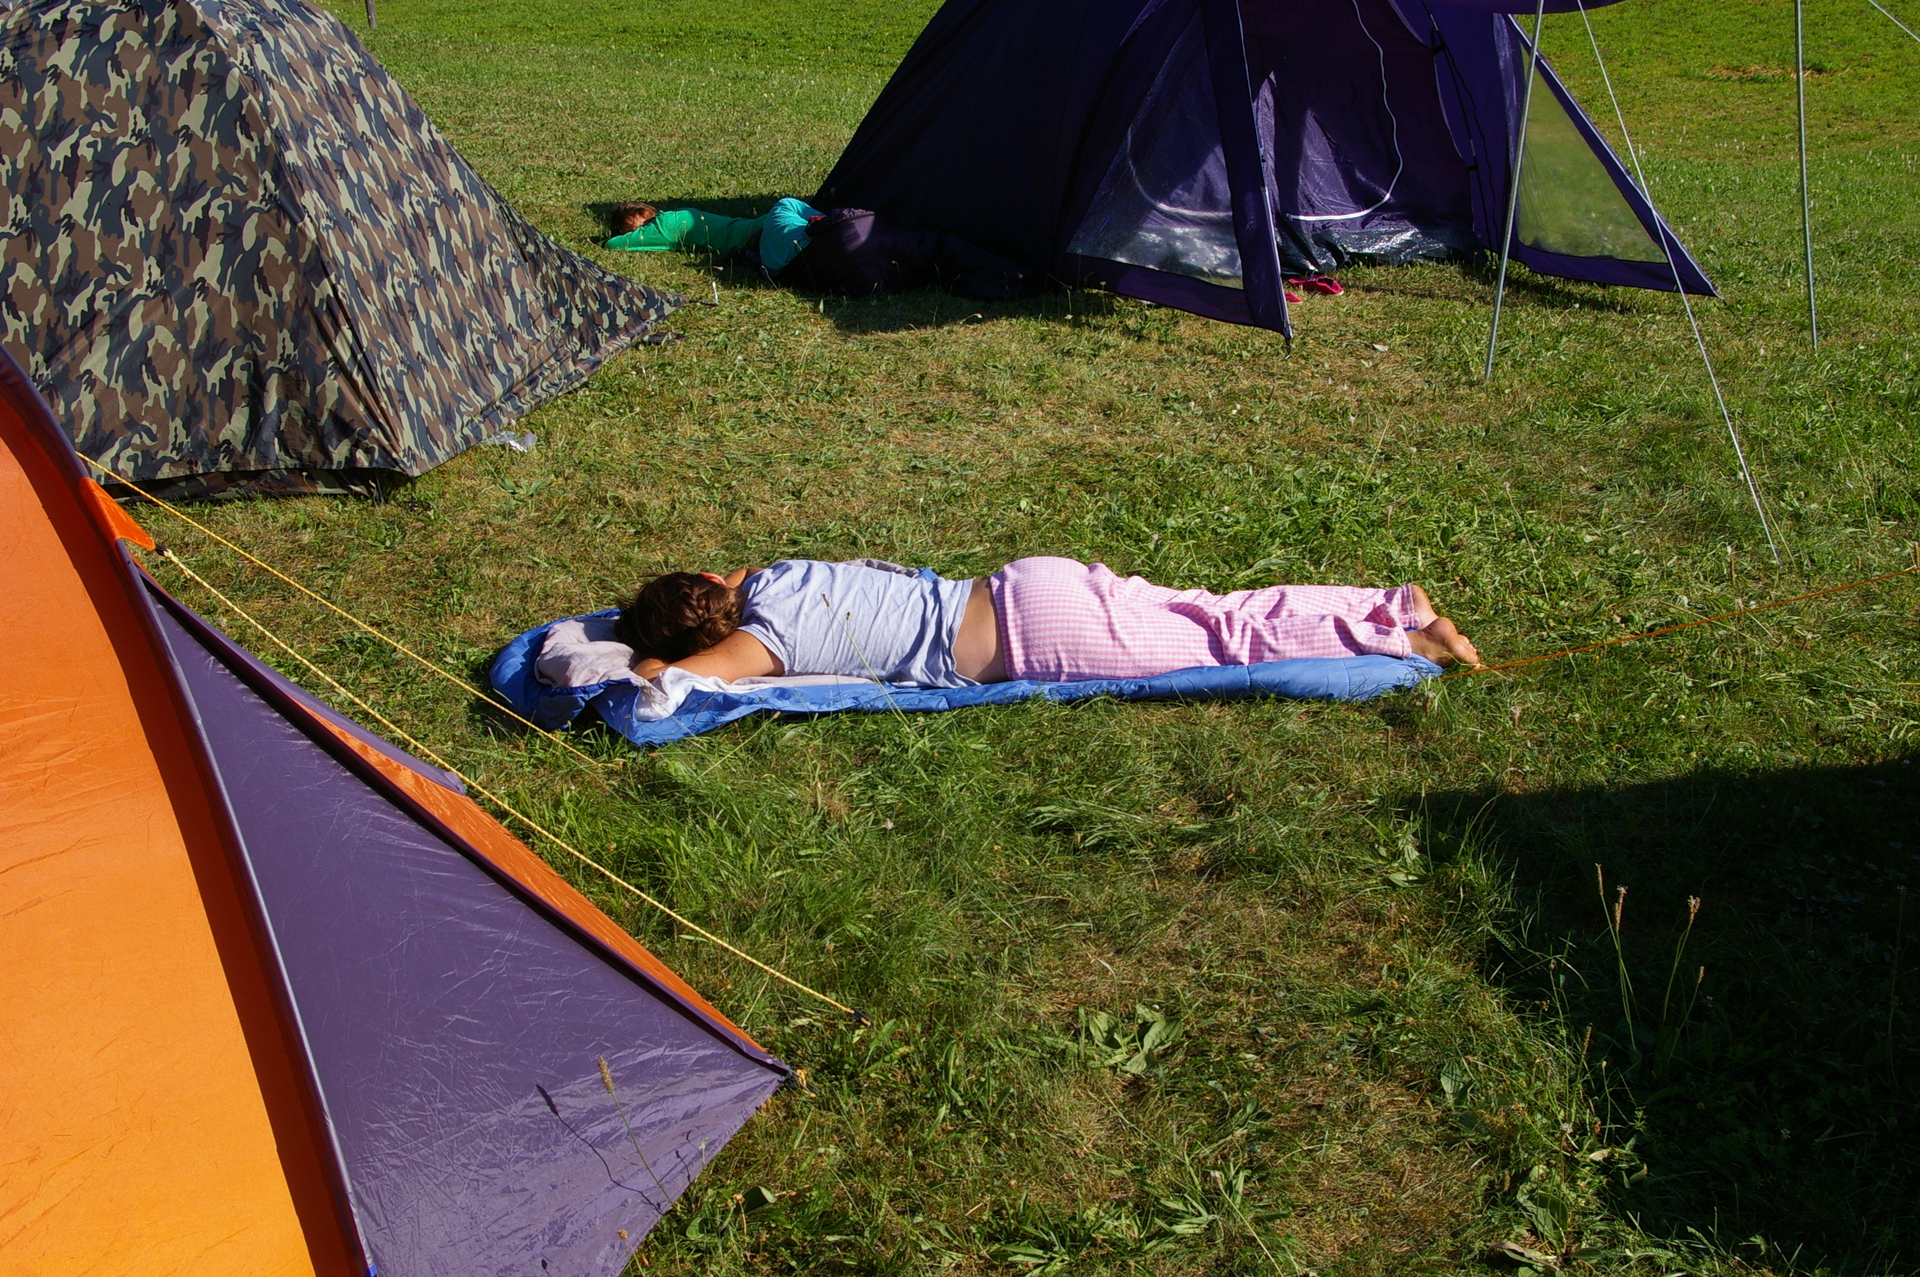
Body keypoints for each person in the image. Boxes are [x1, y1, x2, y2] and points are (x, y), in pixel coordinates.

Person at [613, 557, 1480, 687]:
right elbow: (729, 578)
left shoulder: (757, 645)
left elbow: (673, 680)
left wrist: (646, 659)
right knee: (1218, 612)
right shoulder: (774, 578)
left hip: (1039, 637)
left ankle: (1407, 638)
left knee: (1224, 644)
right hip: (1028, 581)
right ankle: (1391, 606)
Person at [604, 200, 1042, 300]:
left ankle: (822, 223)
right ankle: (822, 221)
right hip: (777, 237)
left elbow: (615, 243)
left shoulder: (670, 226)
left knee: (787, 210)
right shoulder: (673, 221)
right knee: (788, 206)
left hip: (777, 248)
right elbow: (616, 241)